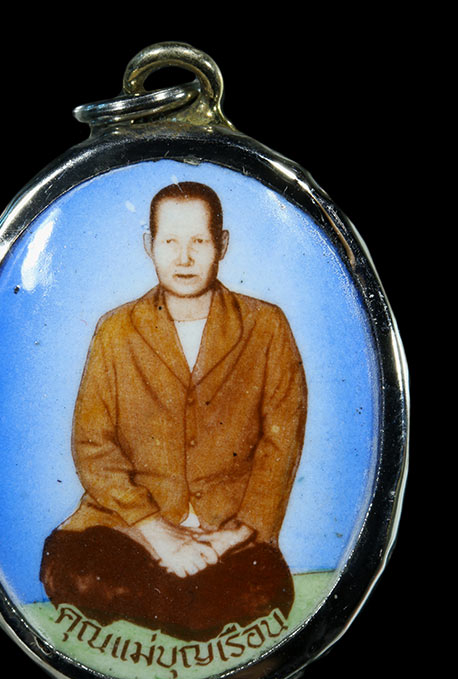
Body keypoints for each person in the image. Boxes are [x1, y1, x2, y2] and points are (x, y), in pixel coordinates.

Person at [40, 181, 308, 641]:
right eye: (170, 242)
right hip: (128, 528)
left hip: (225, 534)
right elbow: (92, 445)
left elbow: (281, 444)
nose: (184, 258)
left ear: (222, 244)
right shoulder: (116, 330)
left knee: (259, 590)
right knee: (70, 569)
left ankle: (180, 600)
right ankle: (179, 600)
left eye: (199, 241)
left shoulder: (266, 326)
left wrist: (225, 538)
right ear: (150, 245)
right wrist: (157, 535)